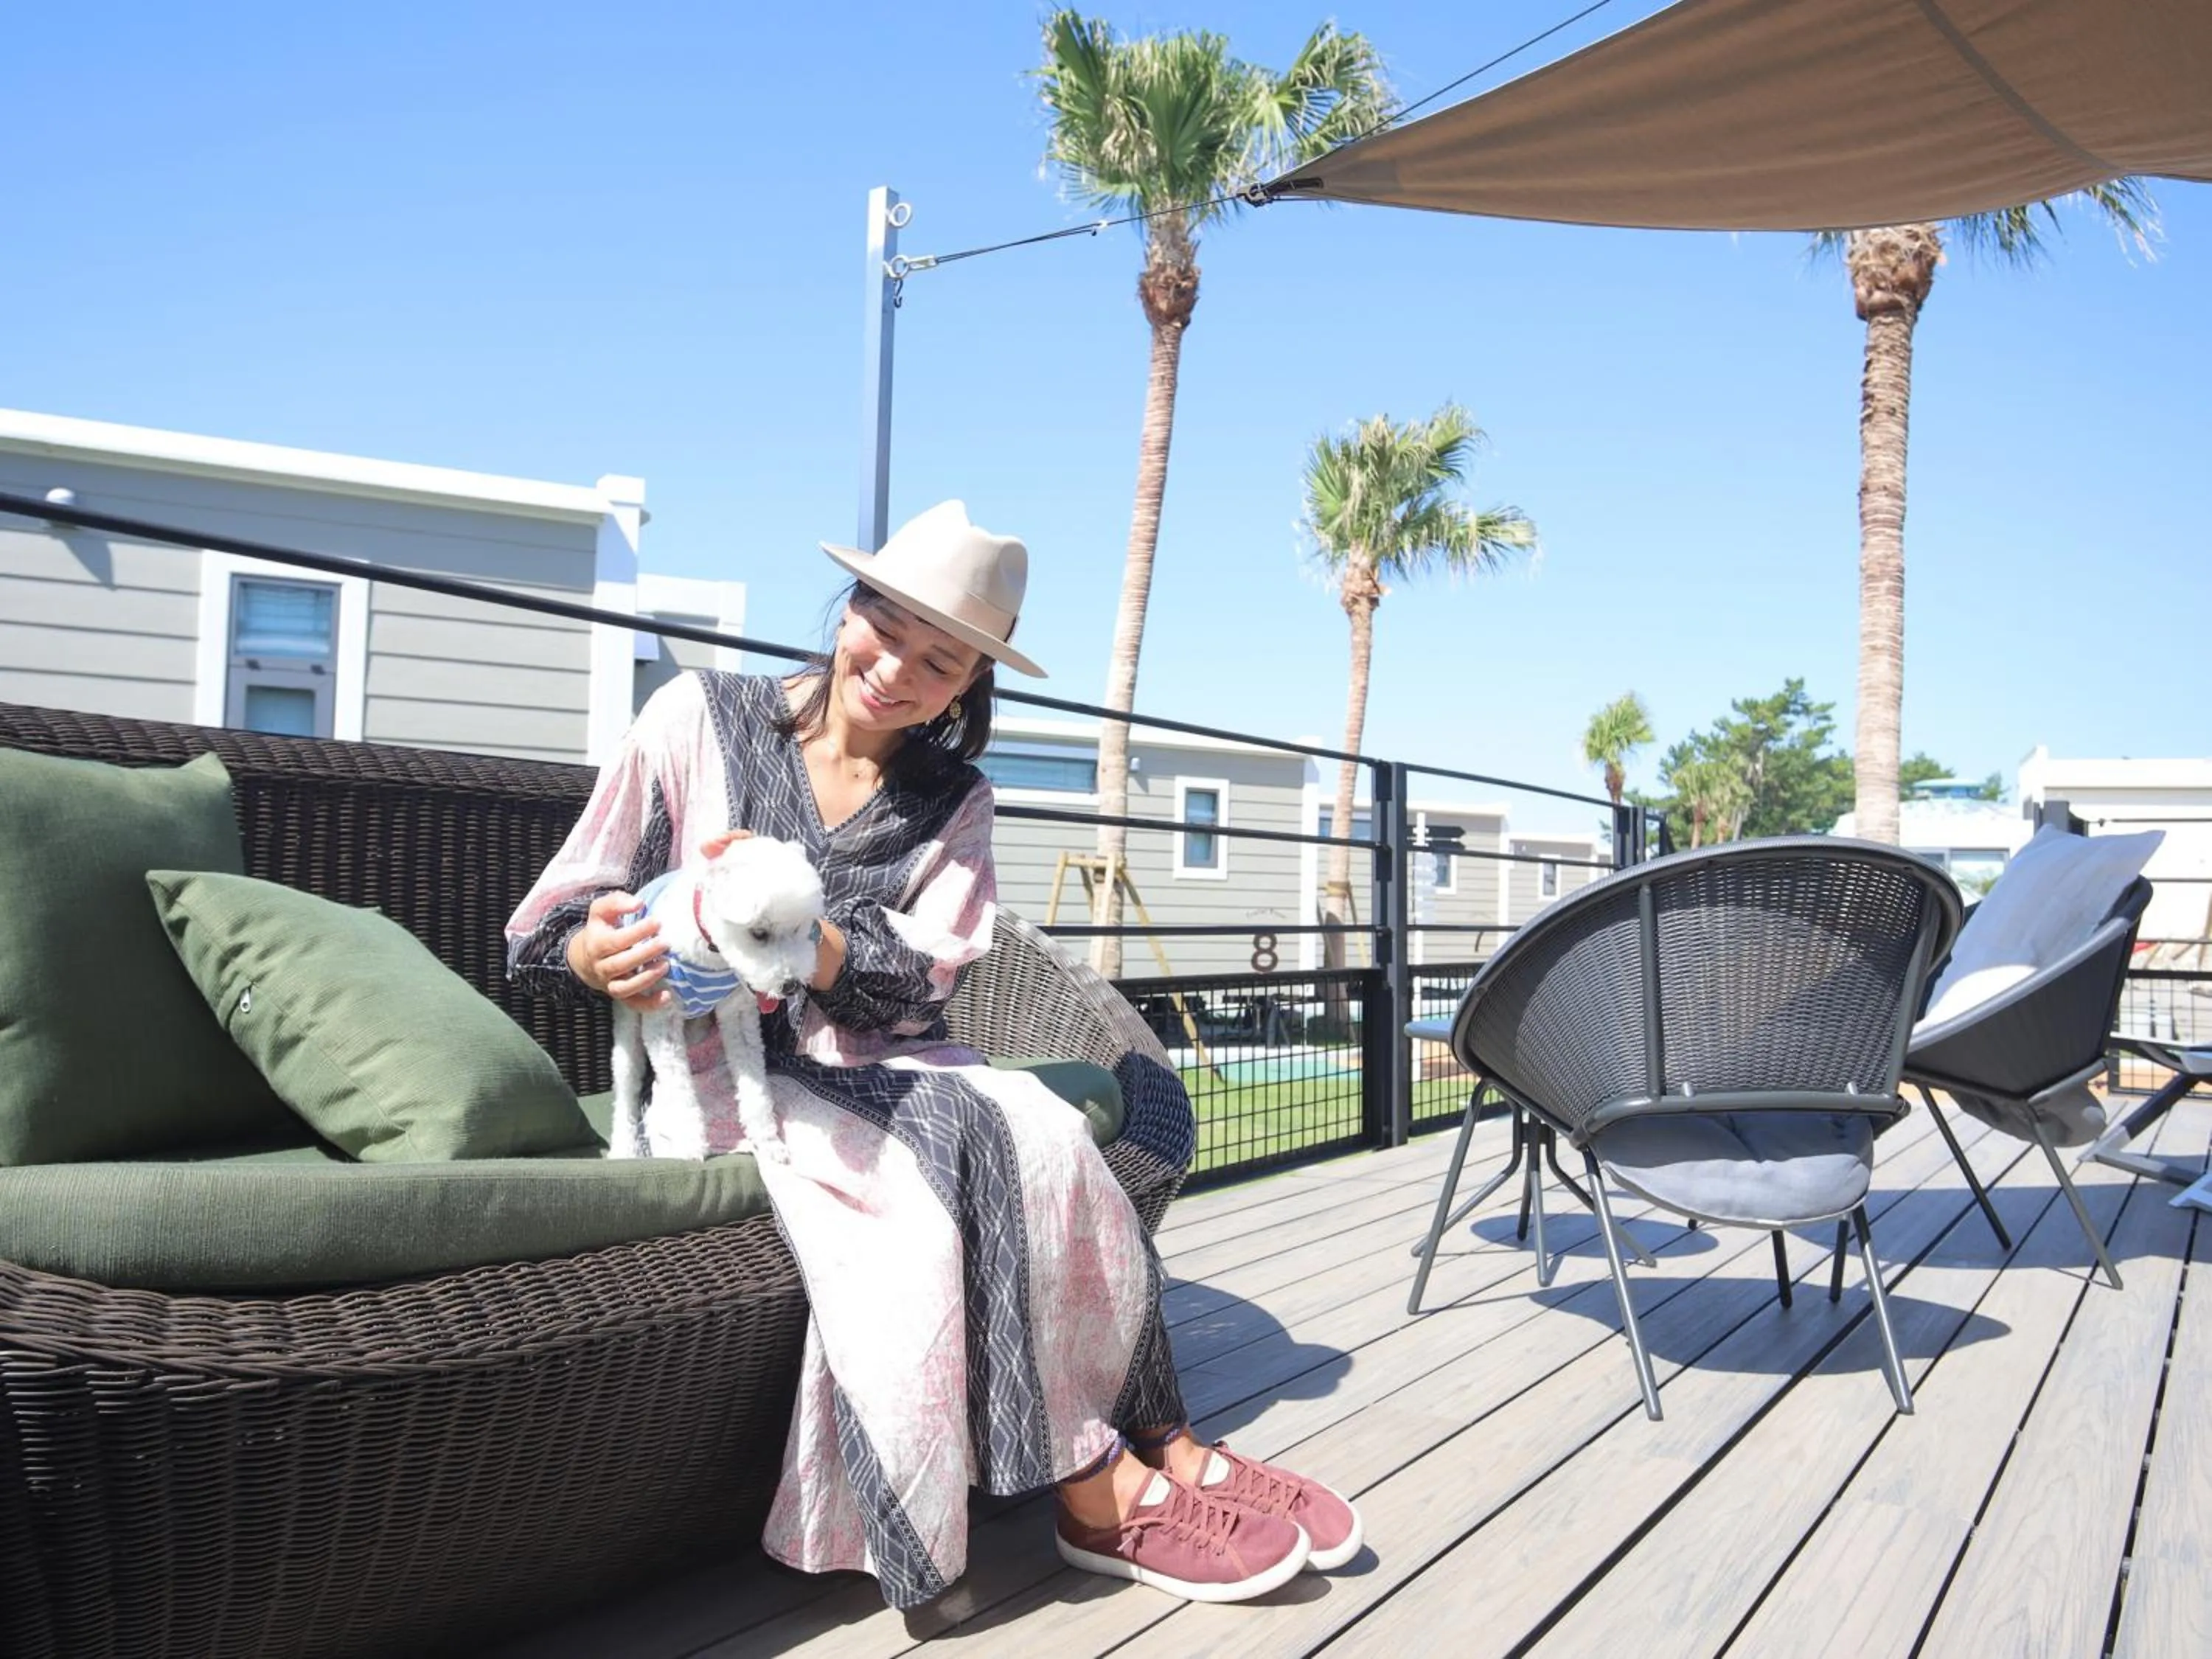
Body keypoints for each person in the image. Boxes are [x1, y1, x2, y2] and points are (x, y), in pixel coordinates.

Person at [506, 501, 1360, 1609]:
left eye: (938, 656)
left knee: (1049, 1134)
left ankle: (1169, 1437)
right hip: (736, 1080)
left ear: (967, 684)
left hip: (888, 1059)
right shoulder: (697, 719)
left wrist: (810, 945)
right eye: (884, 623)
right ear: (848, 606)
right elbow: (550, 915)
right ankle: (1095, 1486)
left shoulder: (954, 799)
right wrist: (592, 947)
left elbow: (929, 978)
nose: (894, 666)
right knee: (982, 1132)